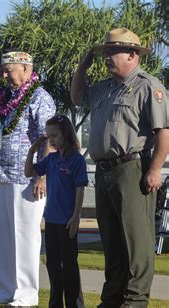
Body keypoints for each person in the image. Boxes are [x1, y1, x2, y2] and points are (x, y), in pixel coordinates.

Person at [71, 28, 169, 308]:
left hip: (132, 167)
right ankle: (112, 298)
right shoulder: (104, 87)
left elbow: (164, 132)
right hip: (104, 170)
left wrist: (155, 169)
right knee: (112, 241)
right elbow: (77, 96)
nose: (107, 57)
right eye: (106, 52)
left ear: (132, 54)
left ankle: (135, 300)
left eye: (112, 52)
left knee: (136, 240)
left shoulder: (149, 86)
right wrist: (82, 67)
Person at [0, 50, 55, 306]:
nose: (5, 75)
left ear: (27, 69)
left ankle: (26, 296)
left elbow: (48, 137)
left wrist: (42, 173)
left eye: (9, 70)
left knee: (25, 237)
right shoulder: (3, 96)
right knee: (5, 238)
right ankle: (6, 293)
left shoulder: (40, 97)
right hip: (3, 174)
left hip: (27, 177)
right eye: (3, 70)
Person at [25, 114, 87, 308]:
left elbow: (80, 189)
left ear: (66, 134)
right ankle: (55, 303)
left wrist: (76, 216)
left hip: (67, 220)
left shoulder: (76, 160)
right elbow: (29, 172)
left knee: (68, 265)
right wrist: (32, 151)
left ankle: (74, 304)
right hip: (51, 220)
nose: (51, 140)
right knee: (53, 265)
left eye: (55, 135)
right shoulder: (51, 159)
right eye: (49, 136)